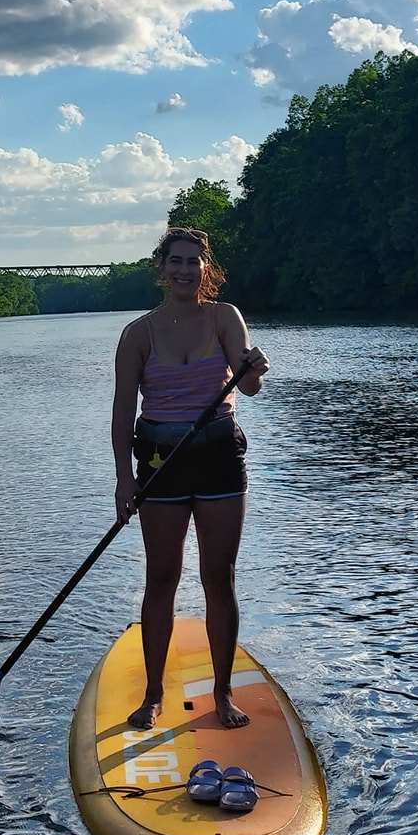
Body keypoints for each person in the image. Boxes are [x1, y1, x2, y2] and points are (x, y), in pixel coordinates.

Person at [111, 225, 269, 731]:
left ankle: (222, 696)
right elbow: (121, 414)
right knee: (162, 578)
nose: (183, 270)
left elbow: (251, 389)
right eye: (175, 261)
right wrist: (123, 481)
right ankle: (154, 694)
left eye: (192, 261)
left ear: (206, 269)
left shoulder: (225, 317)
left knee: (217, 579)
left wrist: (254, 368)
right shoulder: (139, 332)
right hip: (160, 459)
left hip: (219, 451)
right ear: (162, 269)